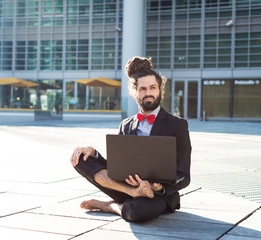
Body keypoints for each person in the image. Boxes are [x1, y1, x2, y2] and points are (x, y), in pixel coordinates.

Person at [70, 56, 191, 222]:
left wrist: (161, 186)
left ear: (160, 90)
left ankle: (110, 206)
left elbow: (184, 176)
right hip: (126, 187)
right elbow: (115, 167)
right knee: (81, 159)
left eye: (152, 88)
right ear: (135, 92)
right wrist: (95, 154)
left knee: (138, 212)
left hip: (156, 194)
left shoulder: (178, 125)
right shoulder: (126, 125)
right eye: (142, 89)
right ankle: (131, 195)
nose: (148, 93)